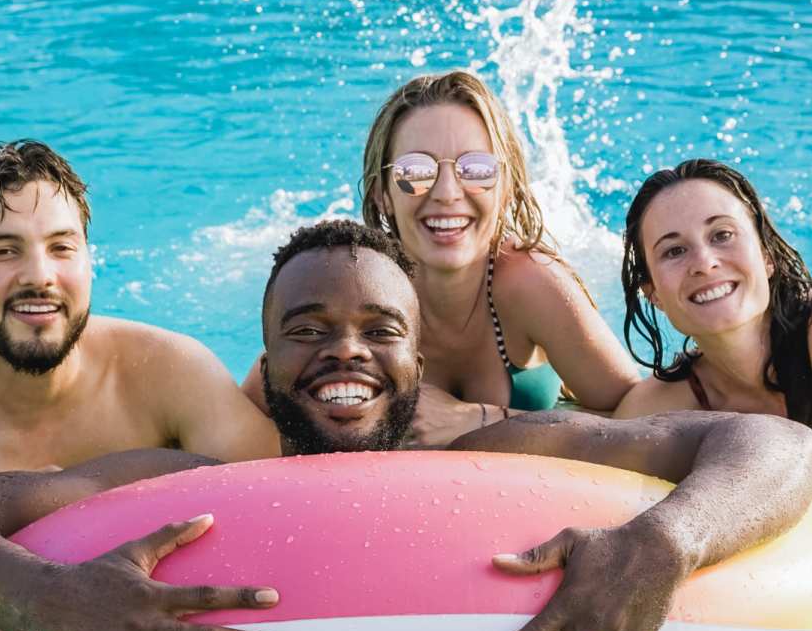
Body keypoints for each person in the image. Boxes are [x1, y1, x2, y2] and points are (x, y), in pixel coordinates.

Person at [0, 219, 812, 631]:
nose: (345, 349)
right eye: (308, 328)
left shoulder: (507, 461)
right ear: (268, 361)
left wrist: (663, 543)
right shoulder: (193, 492)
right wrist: (50, 598)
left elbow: (775, 446)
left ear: (418, 355)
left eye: (378, 328)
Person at [241, 70, 639, 443]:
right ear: (382, 192)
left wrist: (477, 420)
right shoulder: (359, 285)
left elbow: (639, 417)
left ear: (507, 187)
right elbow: (253, 411)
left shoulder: (530, 283)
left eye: (477, 169)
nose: (447, 192)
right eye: (415, 171)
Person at [614, 158, 812, 551]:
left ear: (767, 255)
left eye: (722, 234)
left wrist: (699, 444)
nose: (704, 262)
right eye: (674, 251)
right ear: (655, 295)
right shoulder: (656, 406)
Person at [0, 140, 279, 483]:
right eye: (4, 251)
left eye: (61, 248)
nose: (40, 276)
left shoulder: (168, 373)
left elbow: (282, 496)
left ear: (89, 262)